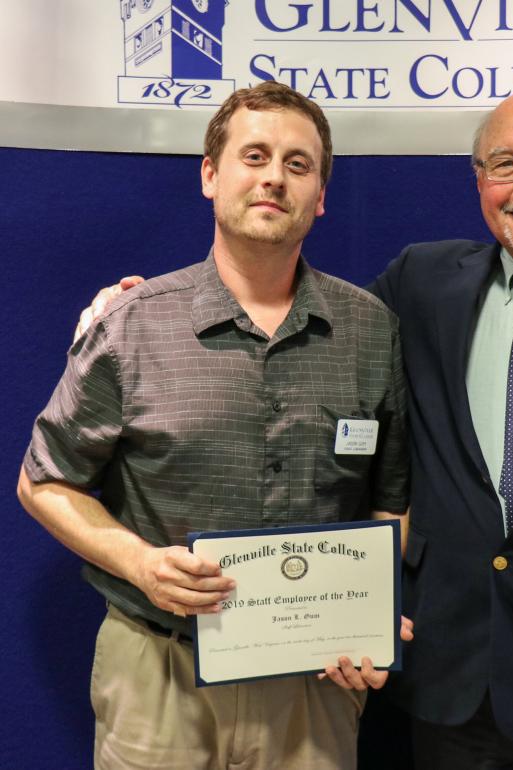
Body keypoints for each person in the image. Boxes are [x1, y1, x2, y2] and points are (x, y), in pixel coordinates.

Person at [71, 89, 513, 770]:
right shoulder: (422, 287)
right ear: (480, 182)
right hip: (448, 695)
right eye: (503, 165)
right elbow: (296, 328)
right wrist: (132, 307)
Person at [17, 82, 410, 770]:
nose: (272, 178)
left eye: (297, 164)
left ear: (320, 196)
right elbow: (42, 483)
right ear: (210, 174)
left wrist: (374, 619)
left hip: (313, 683)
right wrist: (140, 564)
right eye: (253, 155)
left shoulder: (371, 332)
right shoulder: (130, 327)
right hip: (159, 673)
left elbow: (392, 500)